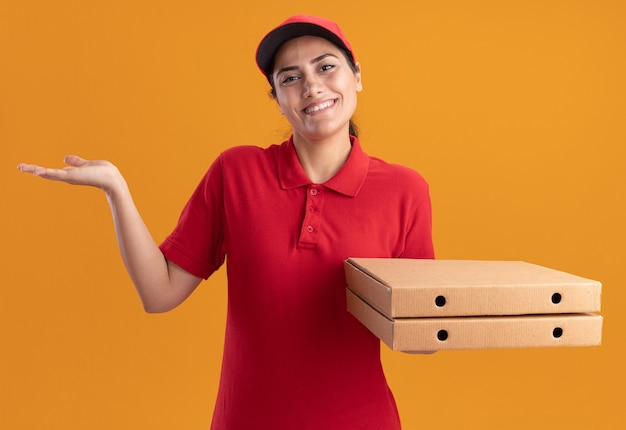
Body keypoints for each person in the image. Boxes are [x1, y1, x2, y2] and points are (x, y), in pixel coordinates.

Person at [18, 14, 434, 430]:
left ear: (356, 76)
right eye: (290, 78)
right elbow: (158, 294)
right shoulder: (236, 173)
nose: (311, 86)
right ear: (276, 97)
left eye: (326, 66)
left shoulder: (404, 190)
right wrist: (116, 189)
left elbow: (422, 338)